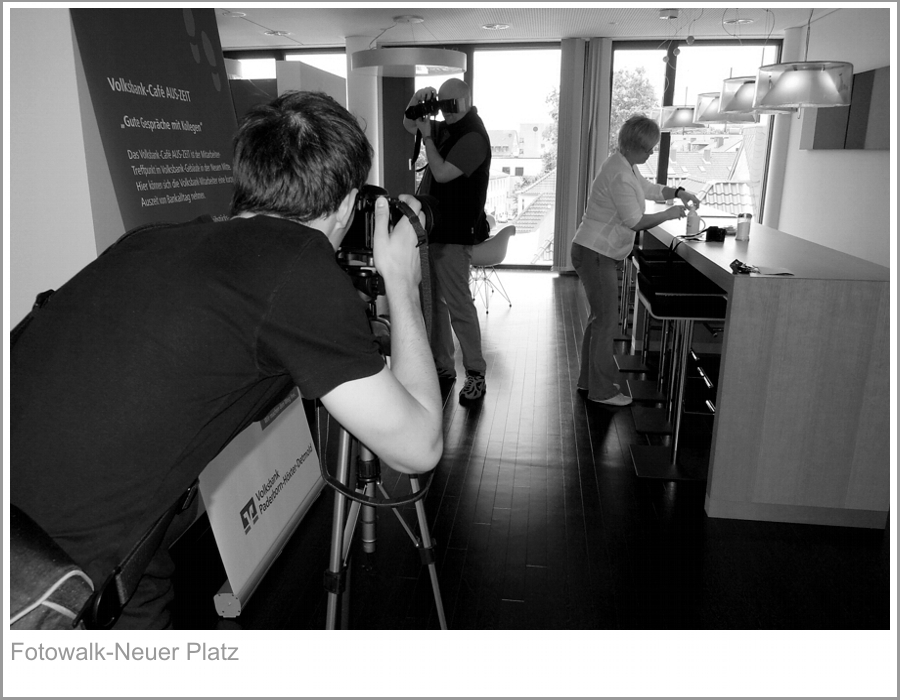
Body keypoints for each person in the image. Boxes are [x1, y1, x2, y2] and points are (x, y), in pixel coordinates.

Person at [10, 91, 443, 629]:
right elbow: (419, 448)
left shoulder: (148, 240)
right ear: (349, 203)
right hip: (43, 579)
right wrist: (401, 281)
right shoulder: (296, 266)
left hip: (83, 528)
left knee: (148, 589)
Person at [571, 114, 701, 407]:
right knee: (606, 322)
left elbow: (647, 188)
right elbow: (635, 221)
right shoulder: (619, 174)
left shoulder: (623, 164)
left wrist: (678, 192)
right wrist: (669, 214)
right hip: (596, 252)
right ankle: (602, 391)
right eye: (648, 148)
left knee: (599, 319)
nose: (652, 153)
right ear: (632, 146)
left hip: (594, 250)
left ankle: (589, 382)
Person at [402, 78, 491, 405]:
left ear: (467, 101)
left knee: (458, 304)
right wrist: (417, 100)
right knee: (434, 303)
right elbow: (408, 123)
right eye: (443, 105)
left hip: (454, 233)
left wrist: (428, 135)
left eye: (453, 105)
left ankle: (476, 372)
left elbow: (440, 173)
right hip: (434, 229)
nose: (447, 111)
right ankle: (442, 367)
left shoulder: (474, 136)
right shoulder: (448, 128)